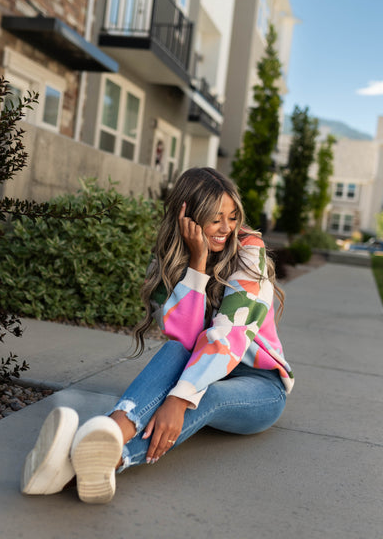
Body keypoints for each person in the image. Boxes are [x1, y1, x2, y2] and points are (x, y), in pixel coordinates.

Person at [21, 167, 294, 504]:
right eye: (215, 218)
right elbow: (186, 336)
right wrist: (197, 264)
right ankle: (104, 439)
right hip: (198, 367)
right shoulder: (169, 260)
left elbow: (230, 335)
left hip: (260, 386)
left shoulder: (249, 249)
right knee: (177, 349)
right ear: (188, 218)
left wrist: (179, 399)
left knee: (207, 397)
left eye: (232, 216)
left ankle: (93, 458)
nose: (227, 228)